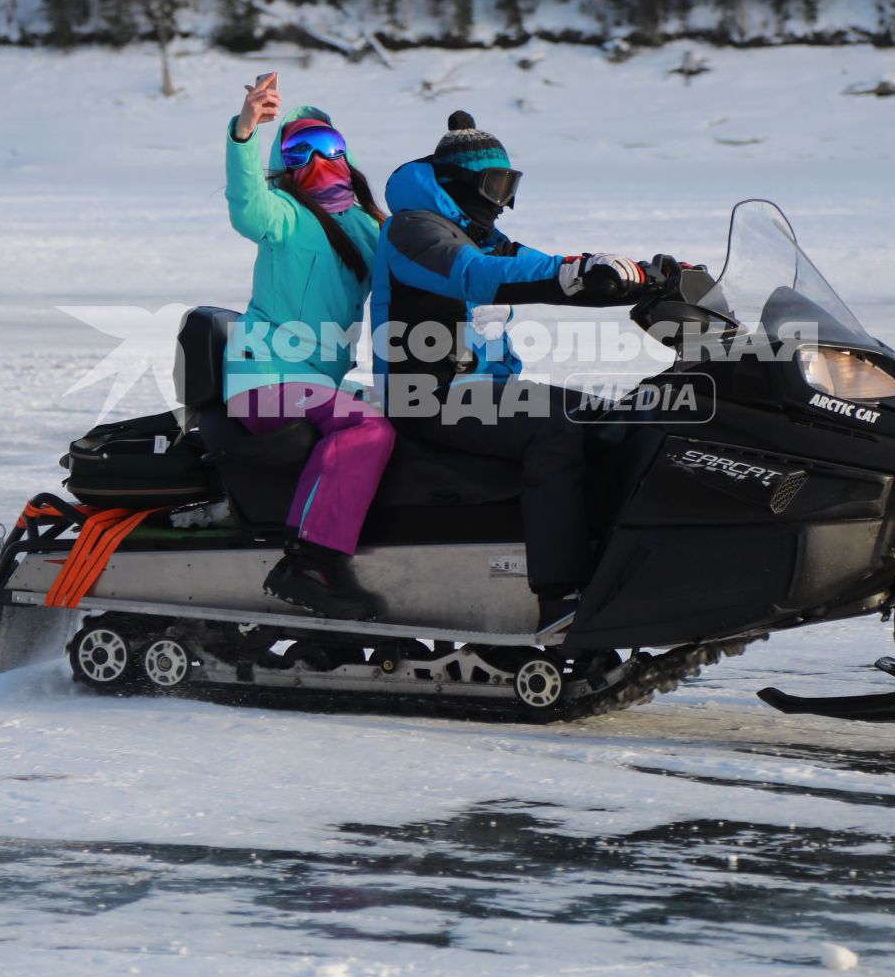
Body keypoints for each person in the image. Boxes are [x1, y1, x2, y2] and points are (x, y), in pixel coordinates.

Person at [371, 111, 658, 630]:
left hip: (484, 390)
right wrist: (573, 273)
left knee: (612, 417)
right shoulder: (413, 232)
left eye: (510, 184)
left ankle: (619, 561)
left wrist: (647, 278)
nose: (502, 197)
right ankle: (559, 597)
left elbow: (541, 268)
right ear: (459, 182)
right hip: (427, 397)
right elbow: (480, 278)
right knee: (555, 432)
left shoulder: (474, 233)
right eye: (493, 183)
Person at [221, 73, 393, 621]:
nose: (319, 158)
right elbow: (246, 203)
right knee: (367, 426)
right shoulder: (284, 215)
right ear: (287, 164)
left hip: (318, 385)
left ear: (348, 155)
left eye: (330, 146)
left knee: (410, 414)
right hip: (263, 384)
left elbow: (431, 261)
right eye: (301, 149)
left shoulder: (371, 226)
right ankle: (308, 561)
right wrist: (246, 131)